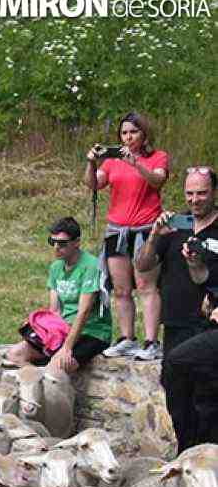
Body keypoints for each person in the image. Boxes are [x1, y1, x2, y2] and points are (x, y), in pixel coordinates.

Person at [138, 167, 218, 451]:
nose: (195, 200)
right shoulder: (174, 226)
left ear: (213, 193)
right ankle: (187, 453)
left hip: (208, 326)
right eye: (190, 193)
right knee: (176, 395)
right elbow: (143, 265)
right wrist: (152, 235)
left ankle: (207, 455)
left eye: (202, 193)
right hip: (174, 323)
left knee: (206, 398)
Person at [87, 112, 169, 360]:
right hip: (117, 229)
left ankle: (152, 341)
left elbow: (157, 180)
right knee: (121, 289)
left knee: (146, 286)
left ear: (144, 134)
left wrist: (135, 163)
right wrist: (91, 162)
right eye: (124, 133)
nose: (128, 137)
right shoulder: (112, 162)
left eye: (133, 132)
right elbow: (93, 184)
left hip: (146, 229)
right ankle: (126, 338)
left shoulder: (158, 157)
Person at [3, 217, 109, 372]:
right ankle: (39, 382)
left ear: (77, 242)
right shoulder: (56, 267)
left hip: (91, 332)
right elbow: (55, 310)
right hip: (63, 329)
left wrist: (66, 348)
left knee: (55, 367)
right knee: (14, 354)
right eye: (52, 242)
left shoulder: (91, 266)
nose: (56, 247)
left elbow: (84, 312)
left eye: (62, 243)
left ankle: (46, 383)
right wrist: (43, 334)